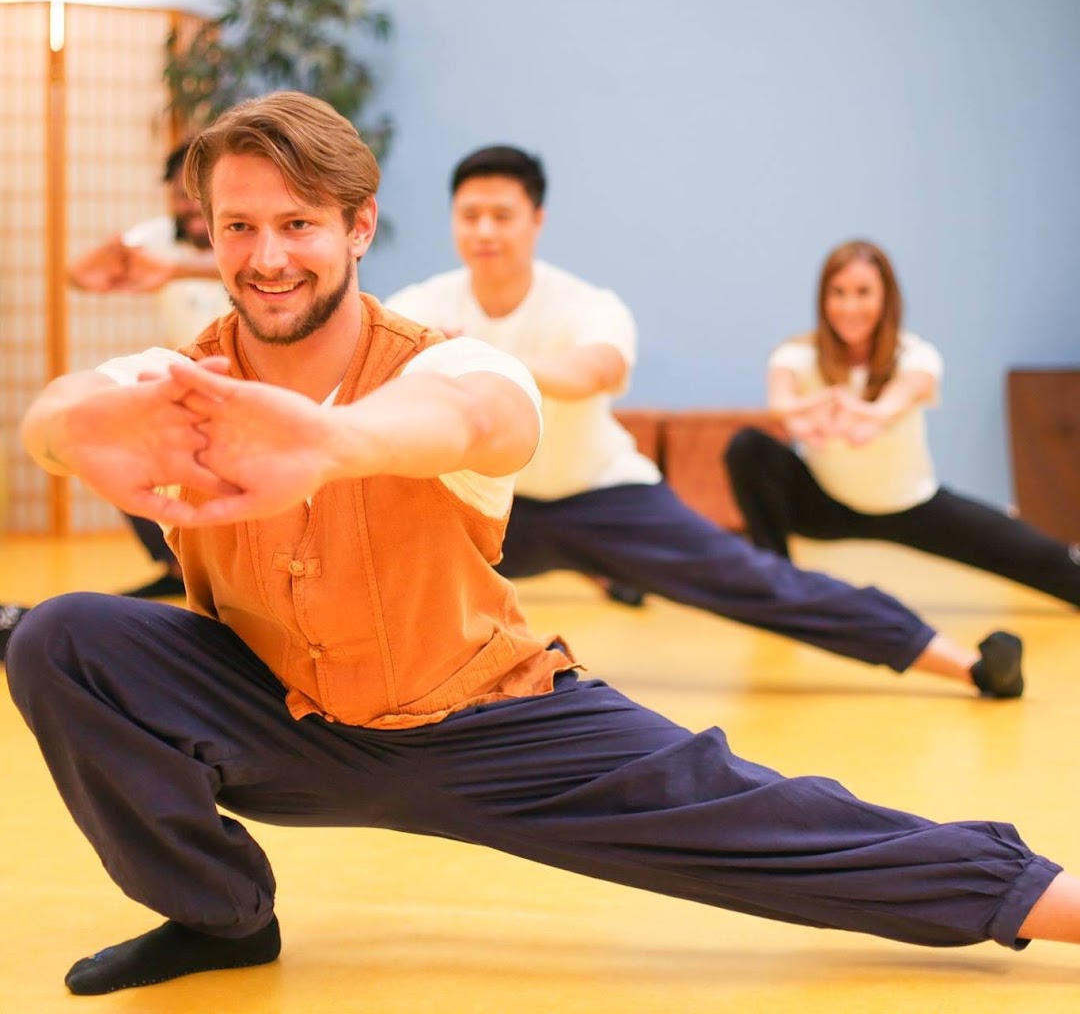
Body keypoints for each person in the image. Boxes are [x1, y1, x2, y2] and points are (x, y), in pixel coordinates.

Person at [12, 93, 1080, 999]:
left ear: (359, 228)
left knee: (768, 820)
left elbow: (481, 413)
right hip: (282, 719)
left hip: (491, 731)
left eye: (297, 224)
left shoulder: (443, 357)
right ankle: (222, 916)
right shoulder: (187, 370)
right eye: (238, 228)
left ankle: (1047, 897)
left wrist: (333, 444)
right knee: (59, 636)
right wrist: (70, 440)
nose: (266, 256)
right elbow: (64, 406)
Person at [386, 146, 1021, 701]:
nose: (485, 230)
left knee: (756, 583)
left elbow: (593, 371)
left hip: (602, 499)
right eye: (471, 216)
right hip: (488, 509)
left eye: (503, 215)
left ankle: (967, 665)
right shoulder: (420, 305)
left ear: (536, 221)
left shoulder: (587, 305)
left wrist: (469, 358)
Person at [724, 239, 1080, 608]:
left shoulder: (915, 355)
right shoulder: (796, 354)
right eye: (838, 292)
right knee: (747, 447)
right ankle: (778, 586)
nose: (850, 306)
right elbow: (780, 403)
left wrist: (868, 417)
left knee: (1041, 557)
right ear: (823, 298)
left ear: (886, 298)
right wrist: (803, 420)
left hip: (909, 505)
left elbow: (899, 399)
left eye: (863, 293)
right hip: (825, 504)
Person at [68, 141, 230, 599]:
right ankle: (176, 566)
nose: (189, 204)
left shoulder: (238, 230)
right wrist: (107, 256)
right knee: (116, 439)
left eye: (198, 192)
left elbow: (240, 267)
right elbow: (77, 275)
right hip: (188, 379)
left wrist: (174, 270)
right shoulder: (159, 236)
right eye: (179, 193)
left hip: (255, 382)